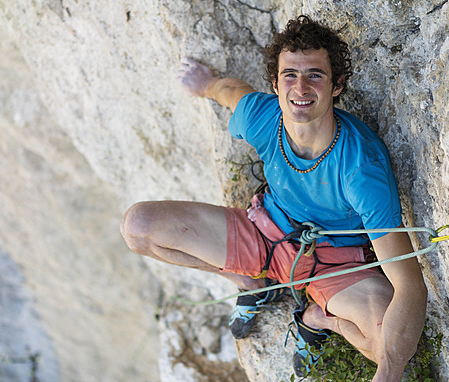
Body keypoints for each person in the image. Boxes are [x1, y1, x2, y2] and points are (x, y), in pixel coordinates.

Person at [120, 15, 427, 382]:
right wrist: (205, 84)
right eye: (289, 75)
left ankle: (320, 319)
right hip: (265, 231)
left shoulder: (361, 168)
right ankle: (250, 283)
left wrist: (388, 374)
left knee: (387, 343)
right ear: (275, 83)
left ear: (337, 85)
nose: (300, 87)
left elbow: (410, 283)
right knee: (137, 228)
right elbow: (231, 92)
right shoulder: (264, 118)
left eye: (315, 74)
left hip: (336, 264)